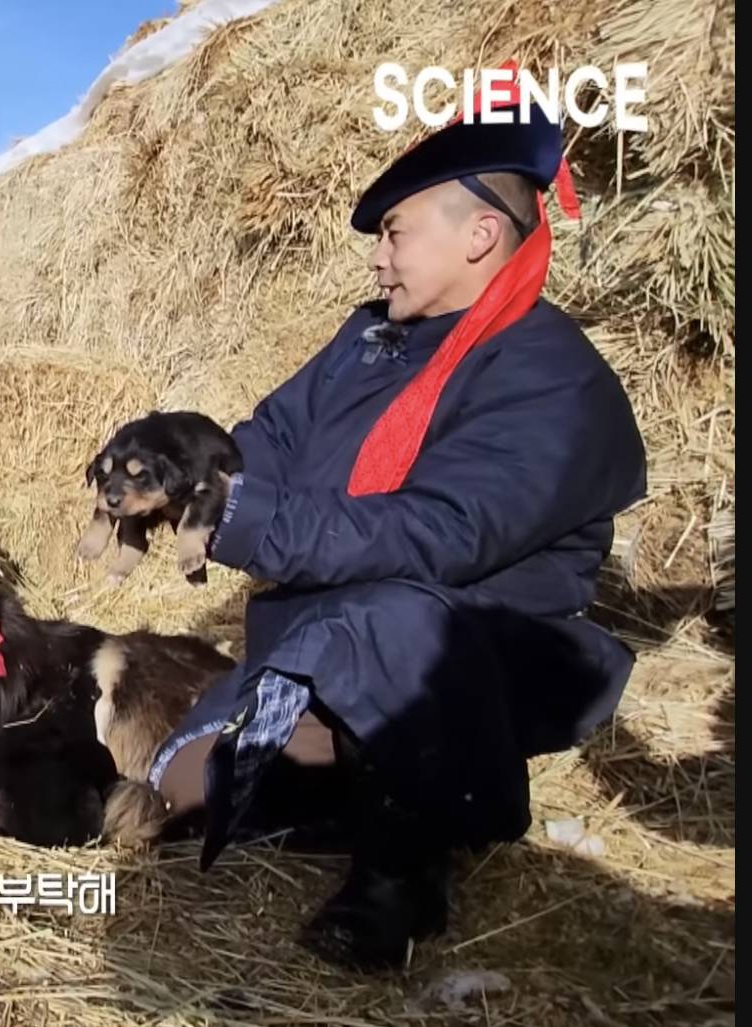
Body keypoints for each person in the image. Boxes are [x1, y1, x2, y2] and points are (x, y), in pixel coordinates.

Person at [147, 84, 647, 970]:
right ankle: (331, 764)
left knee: (396, 613)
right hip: (329, 634)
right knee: (175, 790)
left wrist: (247, 518)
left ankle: (402, 874)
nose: (378, 259)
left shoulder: (554, 381)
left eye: (395, 232)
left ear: (480, 235)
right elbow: (272, 439)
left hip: (474, 657)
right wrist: (184, 467)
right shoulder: (368, 338)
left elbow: (437, 535)